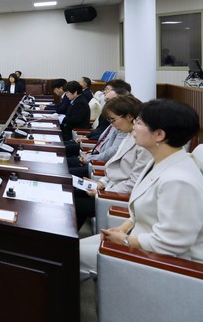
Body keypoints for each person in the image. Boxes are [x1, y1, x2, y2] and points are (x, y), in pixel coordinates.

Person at [80, 99, 203, 280]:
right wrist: (124, 227)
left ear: (159, 134)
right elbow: (142, 212)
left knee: (68, 257)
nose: (134, 127)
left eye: (139, 122)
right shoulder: (158, 160)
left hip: (161, 262)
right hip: (138, 238)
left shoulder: (179, 181)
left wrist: (125, 240)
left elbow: (171, 244)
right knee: (71, 249)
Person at [72, 95, 150, 228]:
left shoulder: (144, 144)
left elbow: (133, 183)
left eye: (113, 120)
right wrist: (100, 183)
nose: (112, 125)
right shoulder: (129, 135)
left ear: (129, 116)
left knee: (72, 203)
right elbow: (114, 169)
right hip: (109, 189)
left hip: (118, 197)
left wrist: (103, 192)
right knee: (71, 191)